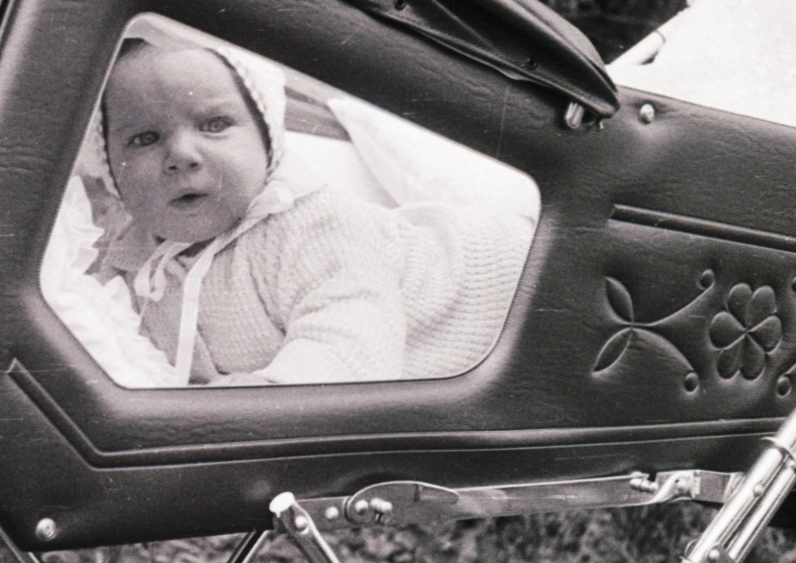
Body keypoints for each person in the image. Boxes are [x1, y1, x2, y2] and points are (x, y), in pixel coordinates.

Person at [91, 37, 530, 385]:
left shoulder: (311, 226)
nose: (181, 154)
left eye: (214, 124)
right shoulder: (128, 265)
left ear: (268, 142)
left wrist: (268, 393)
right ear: (111, 170)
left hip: (508, 283)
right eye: (145, 138)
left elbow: (350, 345)